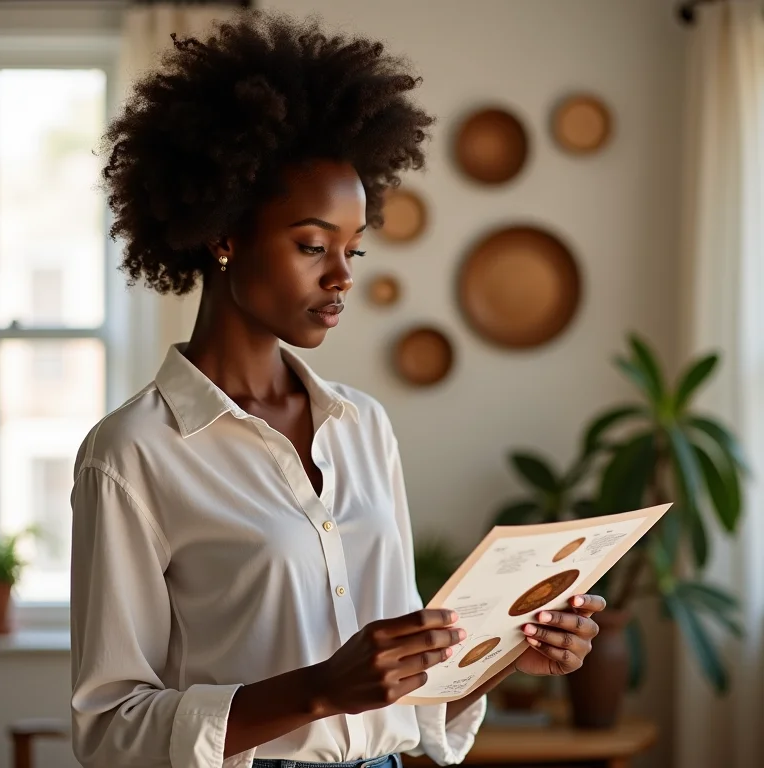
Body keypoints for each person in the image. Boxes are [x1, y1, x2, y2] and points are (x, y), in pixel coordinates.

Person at [70, 10, 606, 768]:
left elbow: (405, 693)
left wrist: (507, 653)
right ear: (224, 233)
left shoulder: (363, 425)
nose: (342, 277)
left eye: (353, 249)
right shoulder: (132, 455)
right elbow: (109, 730)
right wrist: (318, 690)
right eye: (312, 245)